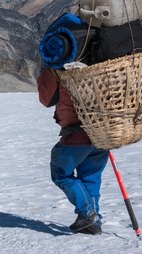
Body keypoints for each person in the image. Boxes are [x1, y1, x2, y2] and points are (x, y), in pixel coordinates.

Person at [37, 66, 109, 235]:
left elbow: (46, 99)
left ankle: (88, 214)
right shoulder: (102, 63)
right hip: (102, 133)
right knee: (90, 178)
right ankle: (92, 223)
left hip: (77, 135)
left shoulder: (59, 66)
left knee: (61, 173)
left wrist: (45, 72)